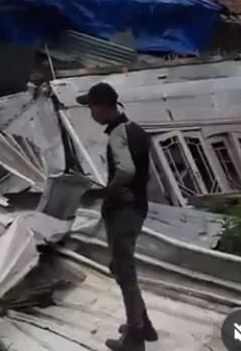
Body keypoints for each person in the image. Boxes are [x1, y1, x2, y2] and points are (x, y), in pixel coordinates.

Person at [76, 82, 157, 351]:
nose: (90, 113)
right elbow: (146, 172)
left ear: (102, 106)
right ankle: (143, 325)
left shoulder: (117, 135)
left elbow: (127, 170)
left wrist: (108, 192)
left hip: (123, 211)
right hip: (138, 207)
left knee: (124, 271)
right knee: (122, 268)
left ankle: (134, 339)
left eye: (91, 106)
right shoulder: (136, 130)